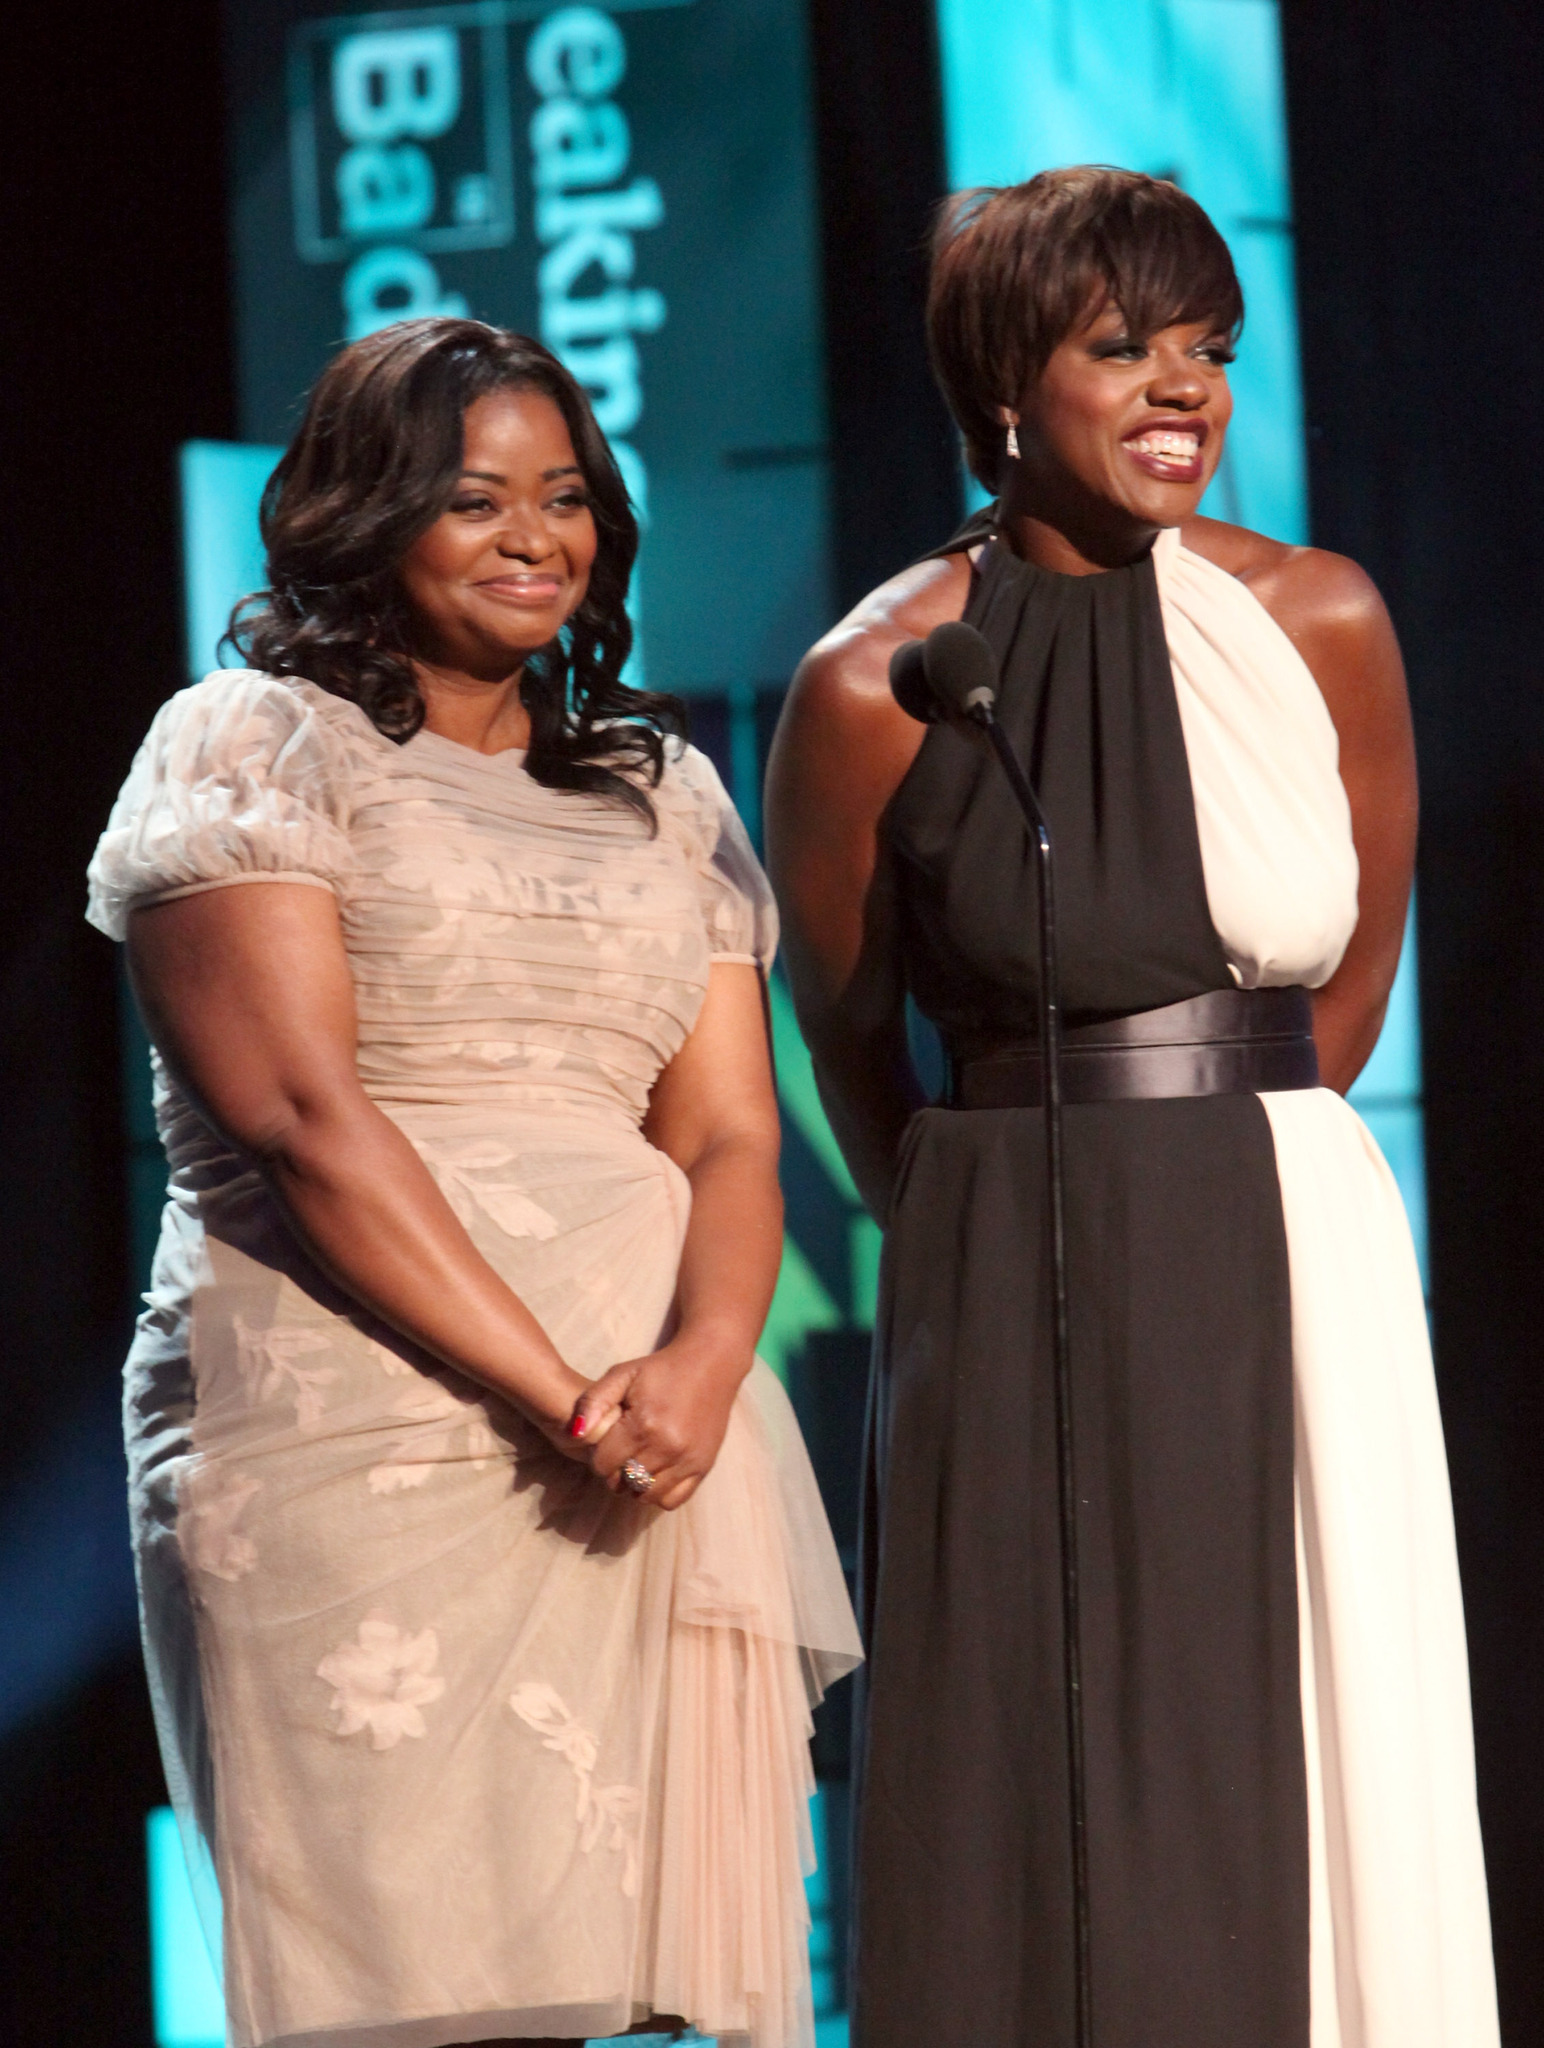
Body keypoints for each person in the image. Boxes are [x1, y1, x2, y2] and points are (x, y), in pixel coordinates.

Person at [766, 168, 1497, 2048]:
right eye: (1126, 351)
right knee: (1040, 1749)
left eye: (1211, 352)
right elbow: (849, 1042)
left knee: (1298, 1719)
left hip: (1283, 1234)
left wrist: (1214, 1175)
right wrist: (992, 1219)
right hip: (1009, 1253)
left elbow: (1347, 985)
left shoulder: (1322, 618)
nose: (1186, 392)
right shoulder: (876, 683)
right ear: (1010, 380)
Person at [88, 317, 860, 2048]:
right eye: (474, 499)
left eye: (567, 497)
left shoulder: (665, 793)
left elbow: (732, 1133)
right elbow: (305, 1121)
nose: (536, 536)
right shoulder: (250, 746)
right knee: (406, 1993)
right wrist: (568, 1402)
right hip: (364, 1426)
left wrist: (702, 1369)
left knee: (625, 1987)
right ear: (368, 519)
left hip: (653, 1433)